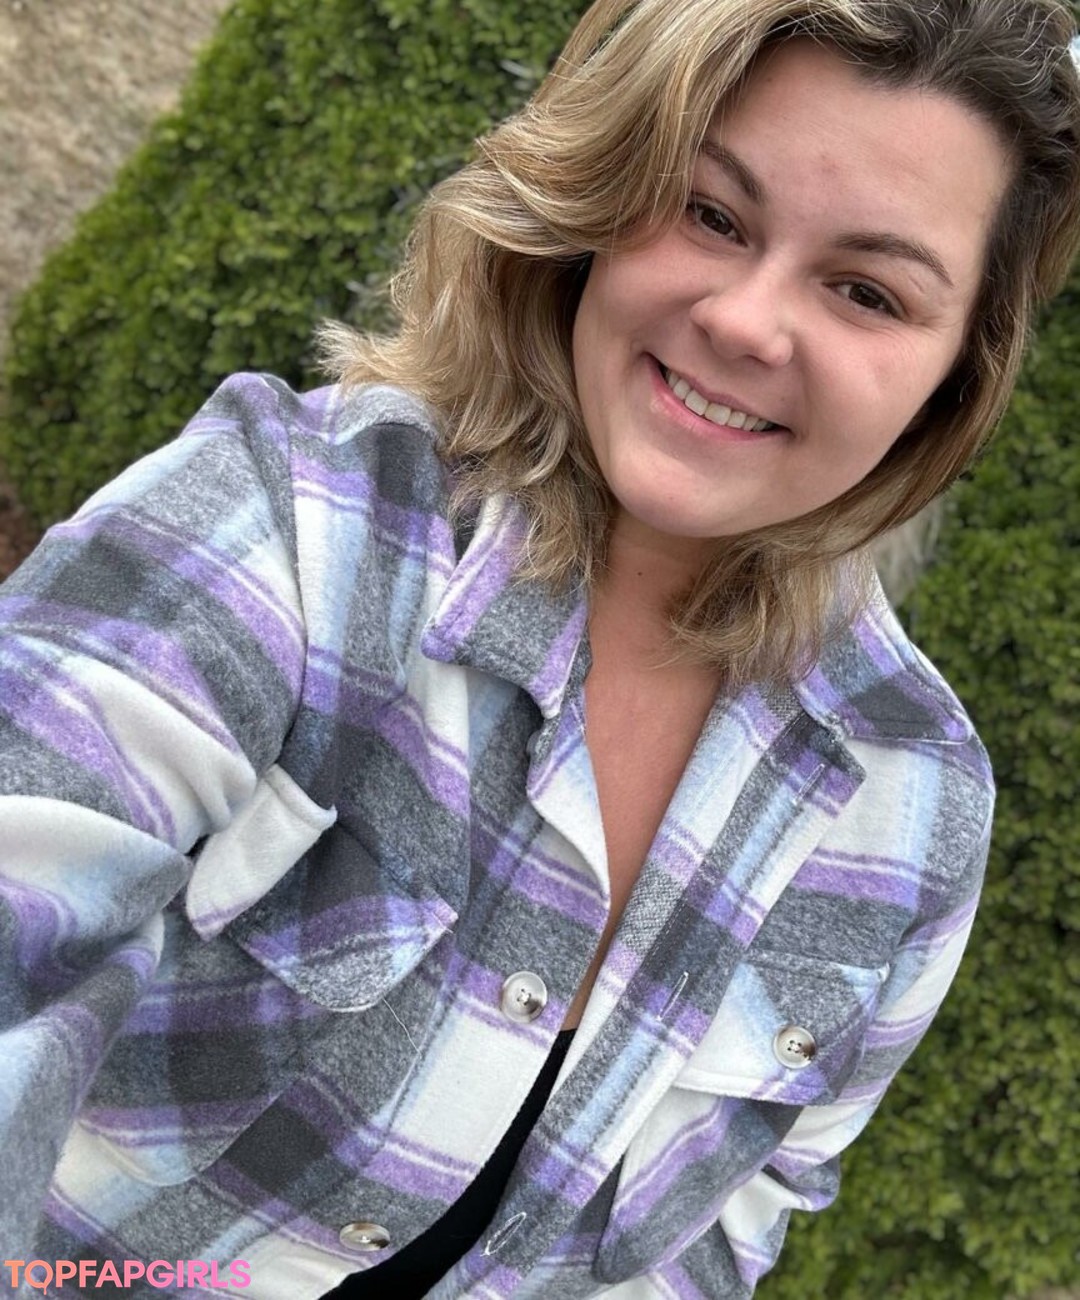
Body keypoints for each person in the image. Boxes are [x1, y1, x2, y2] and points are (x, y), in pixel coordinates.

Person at [1, 0, 1079, 1295]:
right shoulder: (286, 534)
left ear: (955, 377)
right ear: (598, 200)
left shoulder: (917, 800)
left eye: (867, 291)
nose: (749, 322)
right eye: (711, 213)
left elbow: (735, 1218)